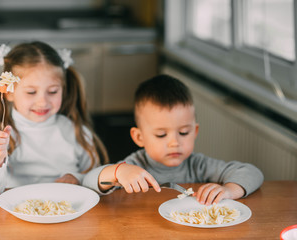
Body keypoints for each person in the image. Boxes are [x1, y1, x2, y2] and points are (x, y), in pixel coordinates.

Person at [83, 74, 264, 205]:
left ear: (195, 131)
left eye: (184, 132)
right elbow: (88, 182)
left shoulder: (197, 164)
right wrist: (116, 172)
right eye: (161, 135)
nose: (174, 142)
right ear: (139, 137)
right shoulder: (133, 167)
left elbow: (252, 172)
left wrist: (229, 190)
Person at [0, 41, 109, 197]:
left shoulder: (76, 132)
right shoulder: (3, 138)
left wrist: (77, 179)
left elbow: (97, 179)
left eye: (52, 91)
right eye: (31, 92)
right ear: (9, 93)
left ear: (63, 89)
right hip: (17, 213)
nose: (43, 102)